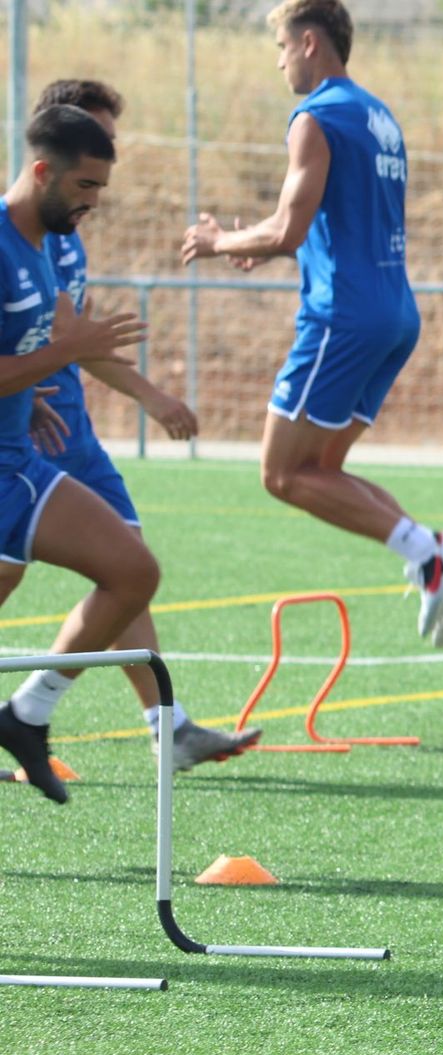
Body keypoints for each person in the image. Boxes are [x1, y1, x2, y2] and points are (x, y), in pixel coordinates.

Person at [180, 0, 443, 648]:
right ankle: (431, 559)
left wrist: (219, 244)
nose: (281, 61)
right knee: (324, 469)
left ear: (310, 43)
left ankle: (430, 551)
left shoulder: (313, 115)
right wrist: (260, 242)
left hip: (341, 316)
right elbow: (331, 219)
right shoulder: (380, 116)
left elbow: (290, 228)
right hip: (395, 311)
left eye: (282, 48)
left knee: (282, 474)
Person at [26, 79, 261, 771]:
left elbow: (76, 342)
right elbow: (58, 341)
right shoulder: (25, 232)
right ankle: (52, 715)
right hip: (31, 439)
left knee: (128, 562)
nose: (106, 168)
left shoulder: (66, 238)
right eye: (96, 150)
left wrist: (151, 397)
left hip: (69, 428)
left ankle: (163, 723)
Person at [0, 105, 155, 803]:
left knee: (133, 570)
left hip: (19, 464)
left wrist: (27, 393)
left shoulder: (38, 243)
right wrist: (69, 352)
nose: (93, 202)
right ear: (42, 171)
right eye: (85, 186)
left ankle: (27, 714)